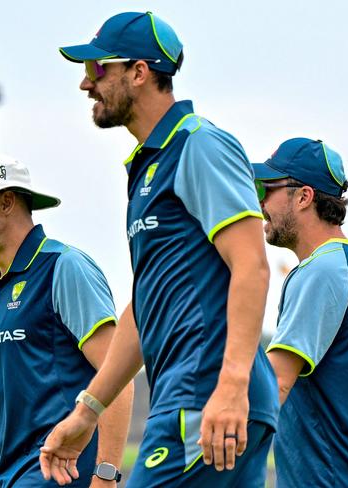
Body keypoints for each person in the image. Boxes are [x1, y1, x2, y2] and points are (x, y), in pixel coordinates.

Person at [40, 11, 279, 487]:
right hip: (186, 394)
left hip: (205, 393)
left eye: (97, 69)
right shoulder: (147, 166)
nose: (86, 85)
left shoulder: (199, 145)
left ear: (139, 72)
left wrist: (230, 386)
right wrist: (88, 410)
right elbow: (145, 305)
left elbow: (251, 265)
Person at [0, 151, 133, 488]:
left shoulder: (64, 267)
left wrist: (105, 478)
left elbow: (118, 376)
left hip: (63, 477)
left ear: (7, 202)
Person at [253, 138, 348, 487]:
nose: (259, 202)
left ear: (304, 197)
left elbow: (276, 386)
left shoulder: (320, 272)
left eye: (267, 189)